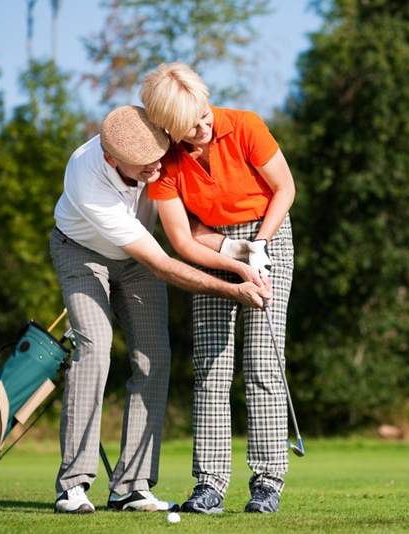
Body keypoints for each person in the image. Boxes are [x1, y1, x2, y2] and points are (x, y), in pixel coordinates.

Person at [50, 105, 271, 514]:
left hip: (136, 260)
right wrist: (232, 289)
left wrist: (244, 252)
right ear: (112, 159)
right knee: (95, 349)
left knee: (154, 358)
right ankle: (73, 485)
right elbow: (164, 263)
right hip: (80, 253)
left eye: (158, 155)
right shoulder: (88, 177)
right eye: (143, 165)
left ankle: (131, 487)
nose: (157, 166)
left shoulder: (160, 150)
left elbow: (189, 228)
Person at [139, 61, 296, 514]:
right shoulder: (165, 162)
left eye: (205, 115)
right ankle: (209, 484)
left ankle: (267, 482)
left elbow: (284, 189)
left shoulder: (246, 126)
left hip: (269, 233)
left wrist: (259, 247)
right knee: (211, 364)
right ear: (170, 127)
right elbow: (182, 240)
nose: (204, 126)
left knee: (264, 362)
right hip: (212, 244)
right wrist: (236, 258)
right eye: (191, 125)